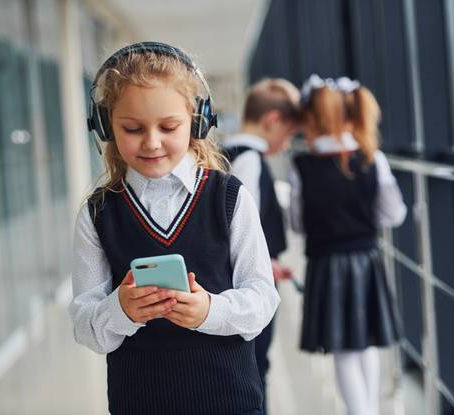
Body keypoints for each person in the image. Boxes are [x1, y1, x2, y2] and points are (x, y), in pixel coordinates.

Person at [69, 41, 279, 415]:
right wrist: (121, 309)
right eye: (132, 128)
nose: (151, 142)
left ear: (197, 121)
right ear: (105, 126)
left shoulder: (228, 198)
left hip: (230, 402)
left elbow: (263, 297)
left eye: (169, 126)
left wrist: (208, 311)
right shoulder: (98, 213)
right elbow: (85, 325)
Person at [289, 74, 406, 415]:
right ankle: (369, 409)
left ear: (312, 119)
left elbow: (297, 223)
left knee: (343, 350)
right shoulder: (372, 159)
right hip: (366, 260)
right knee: (365, 344)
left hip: (327, 264)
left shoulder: (303, 167)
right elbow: (393, 213)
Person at [222, 78, 301, 414]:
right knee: (255, 367)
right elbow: (240, 229)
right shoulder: (249, 160)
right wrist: (262, 264)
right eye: (290, 133)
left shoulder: (227, 153)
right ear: (273, 121)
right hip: (247, 283)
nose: (287, 143)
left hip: (243, 276)